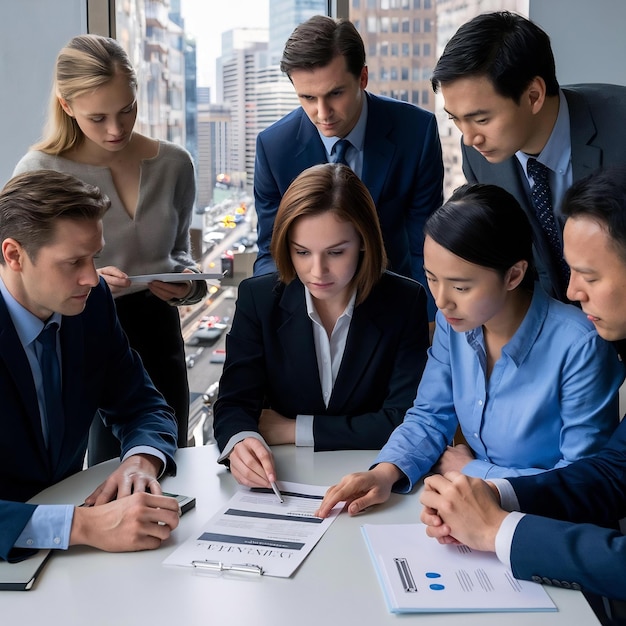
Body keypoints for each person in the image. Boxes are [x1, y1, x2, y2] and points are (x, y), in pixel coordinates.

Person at [315, 183, 624, 518]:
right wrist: (384, 473)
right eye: (432, 279)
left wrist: (475, 472)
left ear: (513, 275)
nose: (441, 301)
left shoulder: (580, 345)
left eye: (461, 286)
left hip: (546, 528)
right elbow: (430, 416)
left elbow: (584, 482)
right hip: (470, 513)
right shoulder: (456, 323)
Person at [418, 167, 626, 622]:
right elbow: (611, 475)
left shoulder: (578, 342)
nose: (571, 291)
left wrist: (497, 526)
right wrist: (492, 495)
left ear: (513, 275)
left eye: (588, 275)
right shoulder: (457, 330)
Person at [13, 34, 206, 464]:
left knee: (171, 456)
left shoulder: (175, 163)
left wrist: (188, 287)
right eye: (97, 117)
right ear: (66, 105)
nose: (116, 129)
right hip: (79, 327)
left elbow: (182, 256)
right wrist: (91, 282)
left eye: (127, 110)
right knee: (99, 469)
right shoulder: (40, 170)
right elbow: (21, 275)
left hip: (160, 330)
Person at [0, 170, 180, 562]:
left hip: (71, 559)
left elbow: (143, 405)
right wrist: (82, 525)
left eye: (94, 257)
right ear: (13, 255)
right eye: (73, 262)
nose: (91, 277)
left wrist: (141, 461)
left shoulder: (91, 303)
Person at [213, 163, 430, 489]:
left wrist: (293, 429)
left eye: (336, 252)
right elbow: (234, 405)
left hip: (370, 480)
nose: (318, 271)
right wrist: (241, 442)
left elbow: (402, 420)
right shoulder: (258, 298)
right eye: (302, 252)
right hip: (283, 482)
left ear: (363, 241)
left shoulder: (404, 301)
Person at [253, 15, 443, 318]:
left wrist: (429, 322)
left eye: (335, 94)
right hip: (309, 309)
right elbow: (270, 253)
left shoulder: (416, 132)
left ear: (363, 78)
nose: (322, 113)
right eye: (308, 97)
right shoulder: (274, 147)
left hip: (394, 304)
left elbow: (426, 247)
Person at [431, 11, 626, 303]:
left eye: (481, 119)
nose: (469, 138)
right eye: (455, 120)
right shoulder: (478, 155)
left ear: (533, 96)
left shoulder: (620, 129)